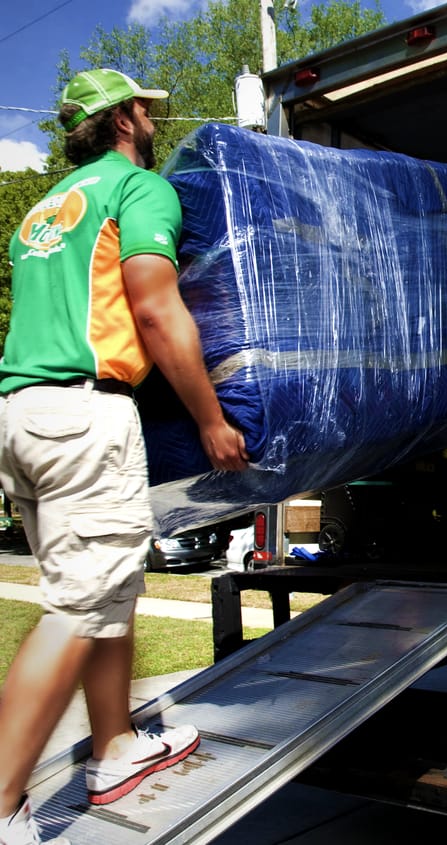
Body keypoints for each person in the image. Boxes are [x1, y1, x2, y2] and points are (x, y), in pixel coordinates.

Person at [0, 68, 249, 844]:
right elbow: (153, 303)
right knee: (79, 606)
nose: (151, 122)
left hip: (20, 415)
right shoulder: (136, 188)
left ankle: (111, 748)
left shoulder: (43, 211)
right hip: (85, 415)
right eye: (145, 111)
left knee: (108, 589)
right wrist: (210, 417)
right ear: (126, 118)